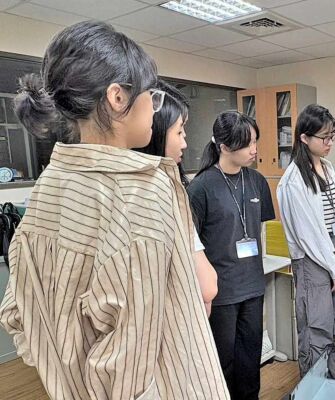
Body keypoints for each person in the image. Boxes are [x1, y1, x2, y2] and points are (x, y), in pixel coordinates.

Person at [0, 21, 228, 400]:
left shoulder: (47, 188)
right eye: (151, 95)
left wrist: (64, 372)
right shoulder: (142, 190)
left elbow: (16, 313)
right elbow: (129, 366)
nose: (154, 108)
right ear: (118, 97)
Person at [187, 111, 275, 400]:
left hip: (253, 287)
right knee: (222, 364)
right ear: (224, 147)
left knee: (250, 362)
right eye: (247, 144)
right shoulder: (201, 187)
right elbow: (191, 245)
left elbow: (260, 230)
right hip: (221, 293)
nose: (254, 149)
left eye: (255, 141)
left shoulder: (257, 181)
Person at [277, 104, 335, 380]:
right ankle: (316, 389)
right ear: (304, 137)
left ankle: (331, 383)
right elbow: (308, 234)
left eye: (333, 136)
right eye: (324, 137)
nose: (330, 143)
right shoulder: (293, 180)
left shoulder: (327, 167)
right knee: (317, 333)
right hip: (313, 261)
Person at [135, 80, 218, 316]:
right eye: (179, 131)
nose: (184, 143)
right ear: (155, 133)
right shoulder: (159, 191)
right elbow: (207, 287)